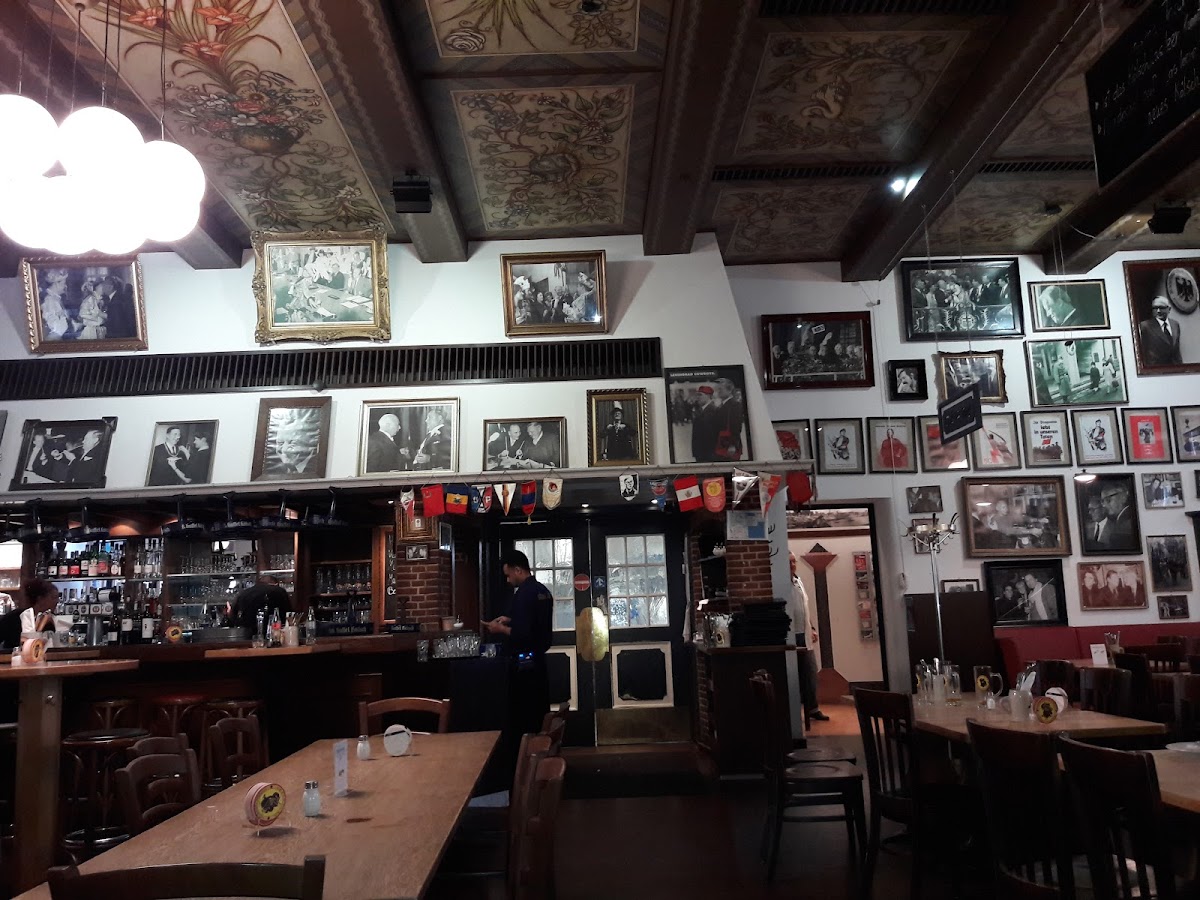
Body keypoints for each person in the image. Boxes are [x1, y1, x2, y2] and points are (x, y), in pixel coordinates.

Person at [482, 550, 553, 779]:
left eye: (508, 575)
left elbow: (523, 635)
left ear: (518, 570)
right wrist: (510, 619)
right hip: (539, 663)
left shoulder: (523, 594)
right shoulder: (542, 591)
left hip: (525, 666)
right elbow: (535, 624)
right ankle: (541, 763)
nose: (507, 579)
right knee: (538, 715)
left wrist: (499, 628)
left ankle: (524, 771)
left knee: (524, 719)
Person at [788, 553, 828, 725]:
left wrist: (811, 628)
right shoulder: (781, 584)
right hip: (790, 634)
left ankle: (813, 709)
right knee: (793, 675)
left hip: (803, 634)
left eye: (793, 562)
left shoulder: (799, 581)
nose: (792, 565)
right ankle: (794, 712)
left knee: (810, 672)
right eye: (789, 562)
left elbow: (805, 608)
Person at [0, 578, 59, 651]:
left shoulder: (51, 621)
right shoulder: (14, 617)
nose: (57, 601)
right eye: (53, 597)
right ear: (40, 599)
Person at [1138, 296, 1182, 366]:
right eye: (1155, 308)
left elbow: (1177, 351)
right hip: (1155, 368)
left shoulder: (1175, 324)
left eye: (1161, 308)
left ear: (1169, 309)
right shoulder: (1145, 326)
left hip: (1175, 367)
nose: (1158, 311)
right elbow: (1142, 351)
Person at [1098, 482, 1134, 549]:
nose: (1104, 505)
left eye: (1108, 500)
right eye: (1102, 501)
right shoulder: (1119, 521)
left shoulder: (1127, 523)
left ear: (1123, 497)